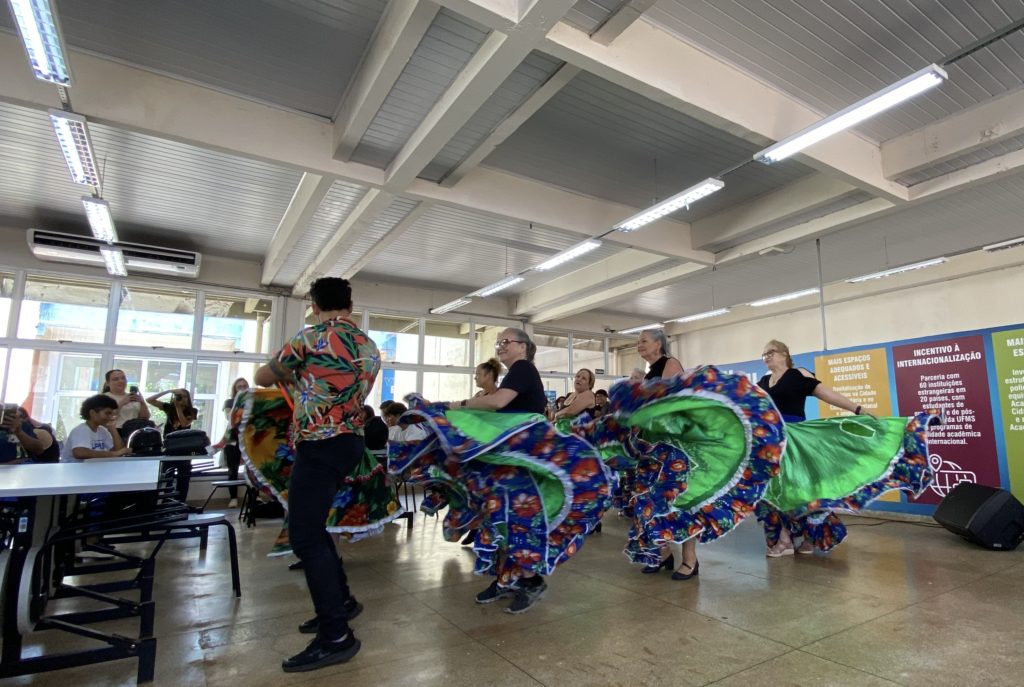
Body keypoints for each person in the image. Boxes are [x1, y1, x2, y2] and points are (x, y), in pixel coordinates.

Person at [390, 328, 610, 615]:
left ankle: (530, 580)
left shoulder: (523, 368)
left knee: (516, 517)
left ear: (523, 346)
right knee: (499, 515)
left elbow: (497, 403)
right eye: (498, 343)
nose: (500, 346)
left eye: (506, 342)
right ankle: (507, 578)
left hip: (521, 458)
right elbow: (496, 408)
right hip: (512, 458)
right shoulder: (516, 373)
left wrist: (451, 406)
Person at [255, 277, 380, 673]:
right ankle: (342, 602)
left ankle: (337, 636)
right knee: (315, 528)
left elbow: (262, 377)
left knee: (305, 535)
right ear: (350, 304)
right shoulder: (368, 345)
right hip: (351, 442)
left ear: (313, 305)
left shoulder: (310, 338)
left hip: (320, 443)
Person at [756, 340, 871, 556]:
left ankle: (811, 538)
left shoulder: (797, 374)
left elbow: (825, 393)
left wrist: (858, 409)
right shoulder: (762, 382)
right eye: (764, 355)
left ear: (784, 354)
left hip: (796, 441)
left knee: (803, 490)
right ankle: (784, 540)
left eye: (770, 352)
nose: (766, 357)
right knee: (771, 491)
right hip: (771, 442)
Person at [634, 329, 698, 580]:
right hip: (653, 443)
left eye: (644, 341)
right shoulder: (650, 371)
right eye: (638, 341)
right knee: (652, 498)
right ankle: (663, 553)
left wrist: (638, 394)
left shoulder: (670, 364)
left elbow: (667, 402)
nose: (639, 345)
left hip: (673, 443)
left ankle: (690, 559)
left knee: (680, 499)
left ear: (659, 344)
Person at [61, 395, 130, 461]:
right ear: (92, 413)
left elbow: (119, 451)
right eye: (107, 413)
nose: (111, 417)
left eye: (112, 414)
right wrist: (114, 454)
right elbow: (80, 453)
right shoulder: (81, 430)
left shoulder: (102, 431)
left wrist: (113, 430)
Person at [214, 378, 250, 507]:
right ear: (234, 389)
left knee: (251, 470)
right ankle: (233, 498)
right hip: (233, 440)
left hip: (249, 439)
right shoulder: (229, 402)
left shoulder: (252, 402)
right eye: (239, 386)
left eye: (245, 386)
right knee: (232, 470)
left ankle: (253, 497)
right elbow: (230, 418)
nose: (242, 388)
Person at [103, 369, 150, 438]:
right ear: (108, 383)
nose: (121, 381)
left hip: (134, 433)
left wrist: (142, 402)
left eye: (123, 378)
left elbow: (145, 418)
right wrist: (122, 403)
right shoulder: (104, 397)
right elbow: (105, 417)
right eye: (116, 379)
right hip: (114, 432)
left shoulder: (132, 396)